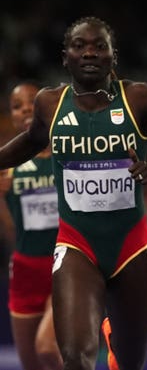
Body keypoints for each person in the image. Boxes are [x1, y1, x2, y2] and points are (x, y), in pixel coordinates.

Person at [0, 16, 147, 370]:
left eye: (99, 46)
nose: (89, 52)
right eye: (80, 46)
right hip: (77, 245)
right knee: (76, 357)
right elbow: (30, 142)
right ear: (66, 57)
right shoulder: (49, 104)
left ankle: (114, 341)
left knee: (129, 362)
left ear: (113, 56)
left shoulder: (139, 98)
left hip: (131, 248)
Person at [0, 82, 62, 370]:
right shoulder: (7, 165)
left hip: (65, 265)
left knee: (48, 348)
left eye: (30, 102)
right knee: (32, 363)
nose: (25, 108)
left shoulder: (68, 156)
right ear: (11, 115)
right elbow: (12, 229)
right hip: (25, 269)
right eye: (17, 105)